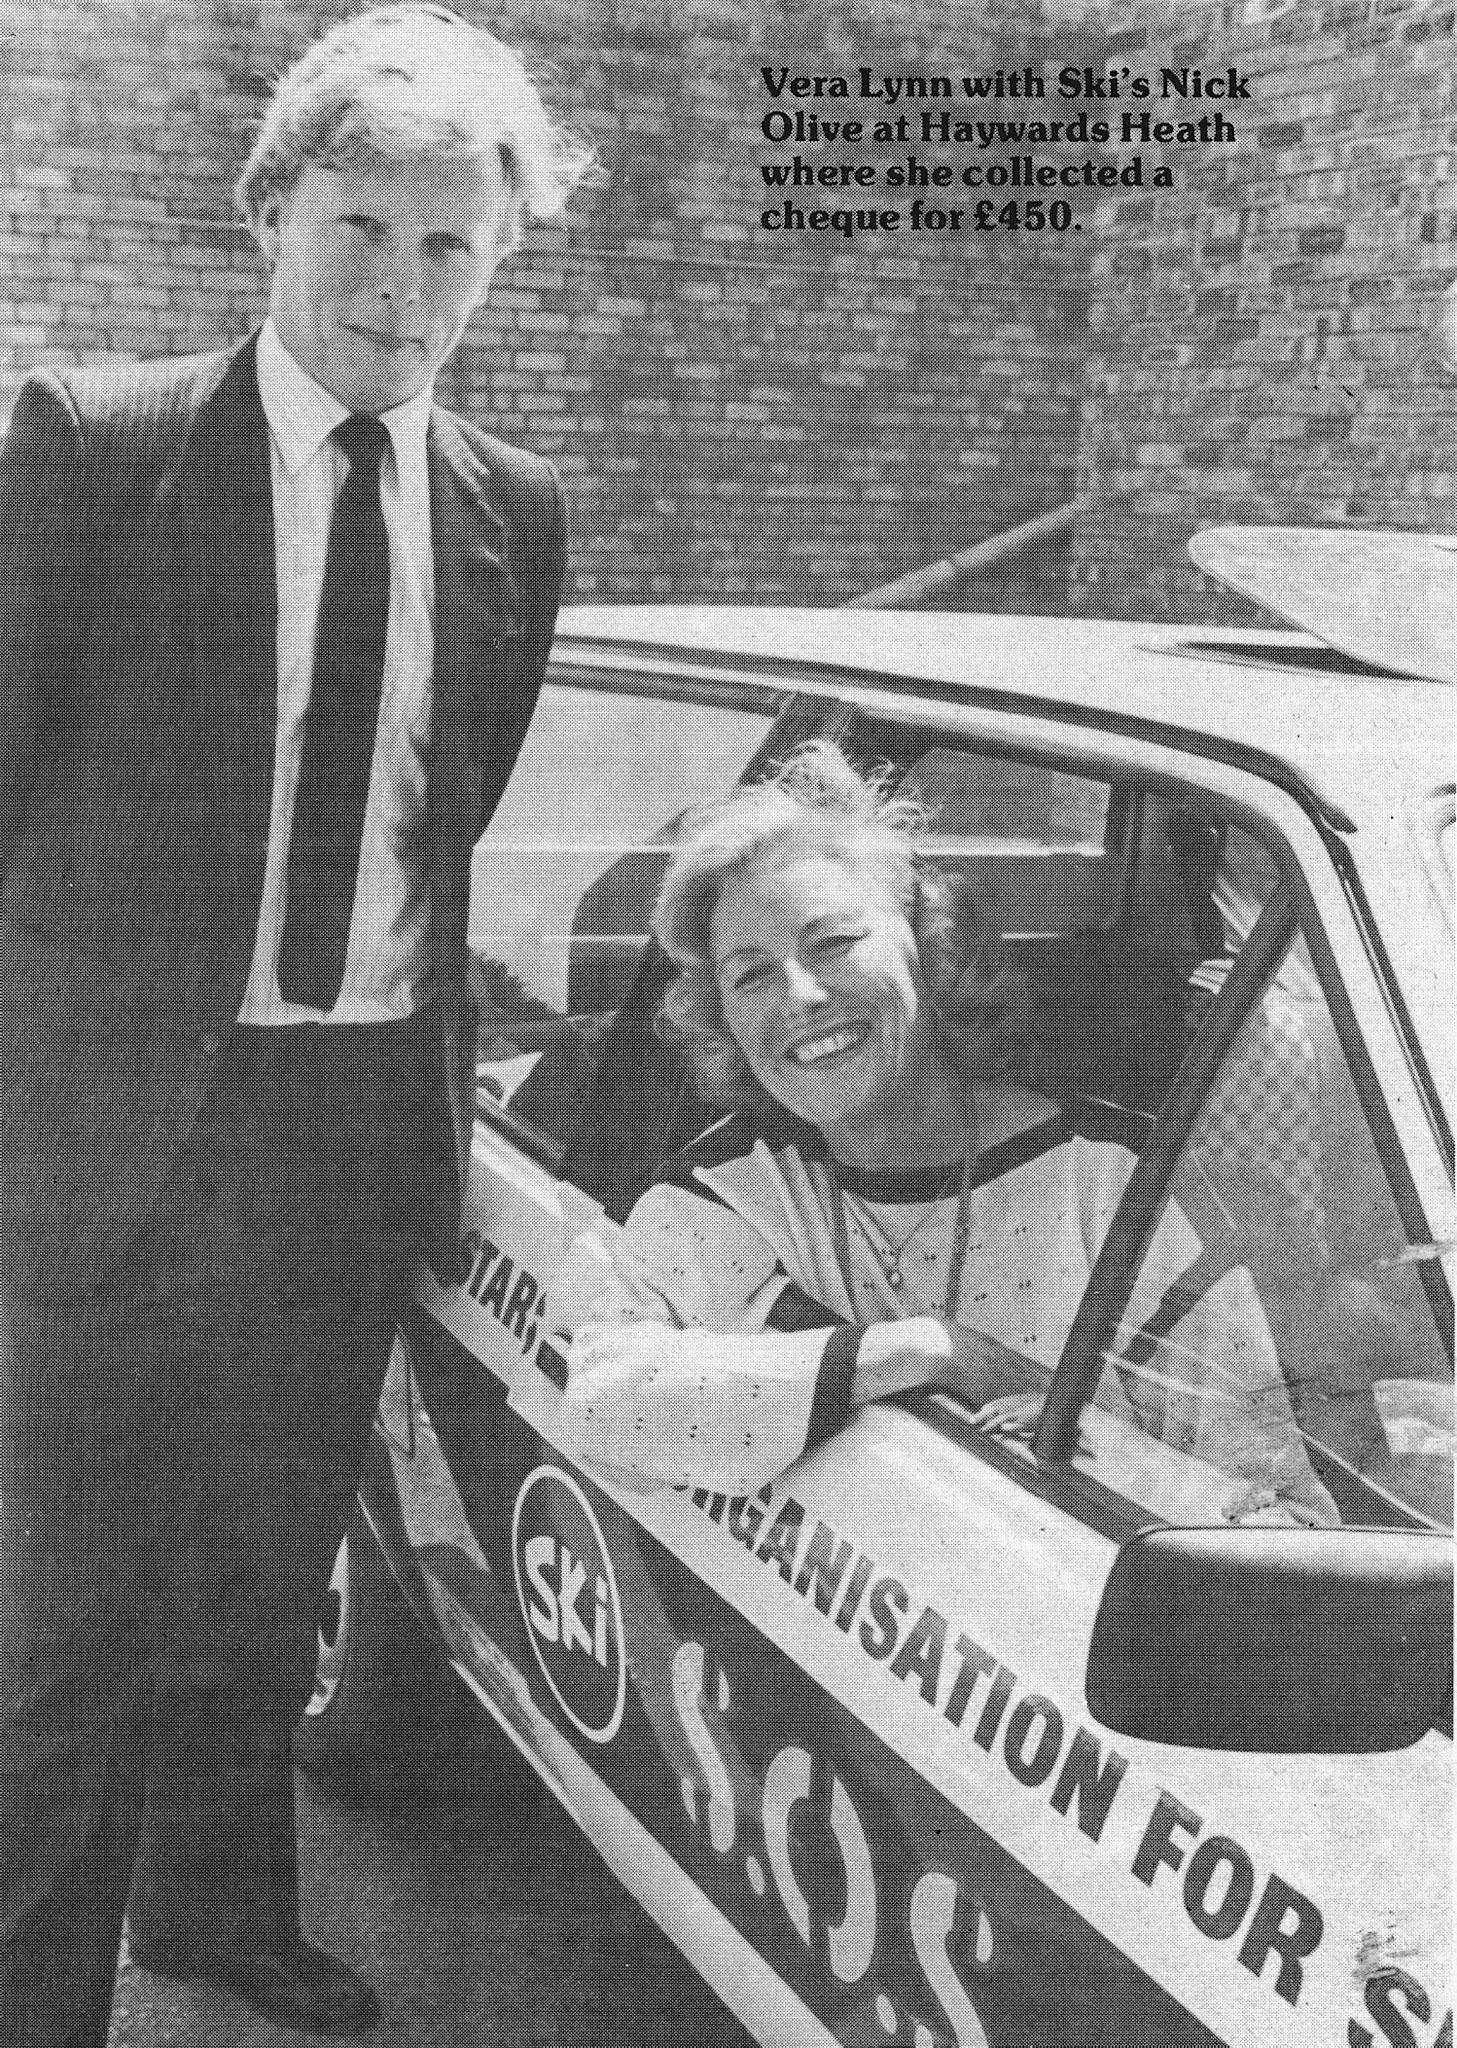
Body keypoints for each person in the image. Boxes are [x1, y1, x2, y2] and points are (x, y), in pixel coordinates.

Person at [0, 9, 589, 2042]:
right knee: (66, 1618)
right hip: (112, 1123)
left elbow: (446, 817)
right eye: (358, 228)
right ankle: (44, 1995)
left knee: (253, 1578)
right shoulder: (101, 444)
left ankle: (216, 1915)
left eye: (450, 250)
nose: (396, 290)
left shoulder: (515, 509)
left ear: (496, 263)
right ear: (273, 209)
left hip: (343, 1126)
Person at [531, 742, 1338, 1530]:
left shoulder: (1127, 1190)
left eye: (834, 943)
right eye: (750, 974)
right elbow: (596, 1402)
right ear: (725, 1022)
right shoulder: (726, 1194)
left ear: (929, 944)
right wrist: (928, 1352)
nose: (801, 995)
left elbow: (1286, 1531)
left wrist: (1088, 1445)